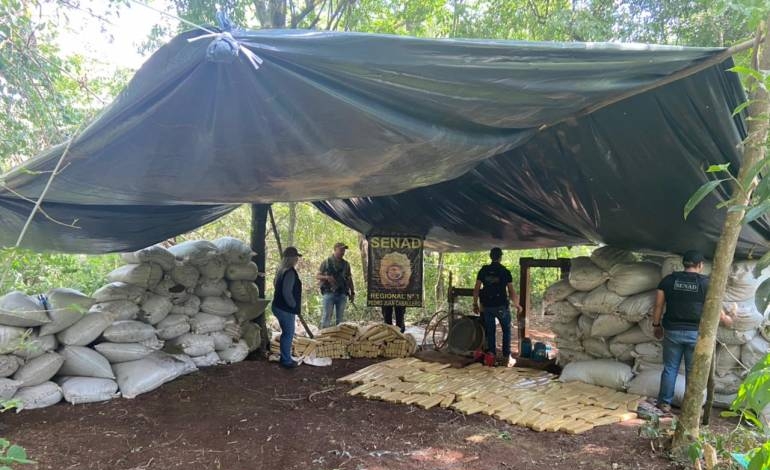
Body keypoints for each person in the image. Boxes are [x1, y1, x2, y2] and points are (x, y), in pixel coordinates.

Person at [652, 250, 734, 413]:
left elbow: (659, 306)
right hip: (695, 334)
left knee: (670, 368)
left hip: (672, 332)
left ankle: (664, 403)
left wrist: (656, 326)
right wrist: (728, 319)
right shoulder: (706, 283)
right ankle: (690, 408)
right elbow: (714, 308)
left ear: (684, 264)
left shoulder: (668, 280)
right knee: (693, 371)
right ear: (700, 266)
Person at [473, 247, 522, 367]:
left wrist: (475, 303)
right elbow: (511, 292)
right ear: (500, 257)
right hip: (501, 306)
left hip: (487, 306)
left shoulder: (483, 270)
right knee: (506, 330)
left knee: (490, 332)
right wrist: (517, 305)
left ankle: (491, 356)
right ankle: (506, 356)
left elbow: (476, 288)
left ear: (491, 256)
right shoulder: (504, 271)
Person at [272, 246, 303, 369]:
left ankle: (285, 357)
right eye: (296, 257)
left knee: (286, 333)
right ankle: (286, 361)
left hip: (277, 305)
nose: (297, 260)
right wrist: (293, 305)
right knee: (288, 334)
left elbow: (276, 285)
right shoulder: (289, 272)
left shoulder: (280, 269)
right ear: (292, 258)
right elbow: (287, 292)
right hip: (285, 308)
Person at [317, 242, 355, 328]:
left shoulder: (346, 264)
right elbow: (317, 276)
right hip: (329, 293)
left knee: (340, 320)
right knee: (326, 318)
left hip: (342, 294)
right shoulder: (326, 262)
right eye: (341, 249)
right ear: (335, 249)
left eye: (344, 250)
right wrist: (327, 277)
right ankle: (323, 338)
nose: (343, 252)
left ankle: (338, 340)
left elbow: (349, 279)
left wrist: (352, 292)